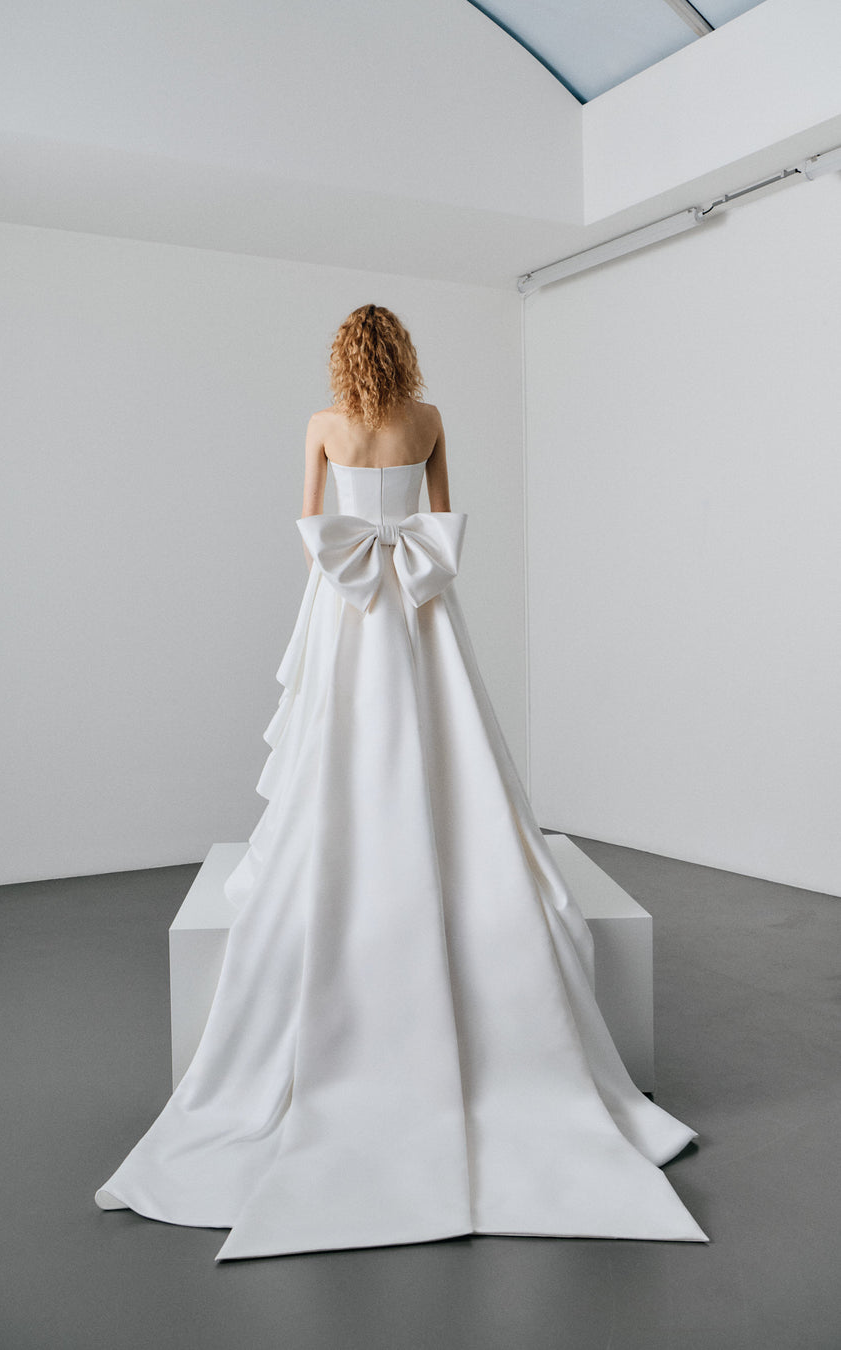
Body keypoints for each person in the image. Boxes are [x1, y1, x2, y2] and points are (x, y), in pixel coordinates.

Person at [95, 304, 707, 1261]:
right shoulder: (429, 420)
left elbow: (312, 527)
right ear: (404, 354)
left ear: (345, 356)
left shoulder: (323, 423)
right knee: (445, 739)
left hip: (348, 609)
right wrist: (397, 550)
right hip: (420, 608)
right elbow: (439, 522)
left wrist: (357, 553)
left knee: (338, 742)